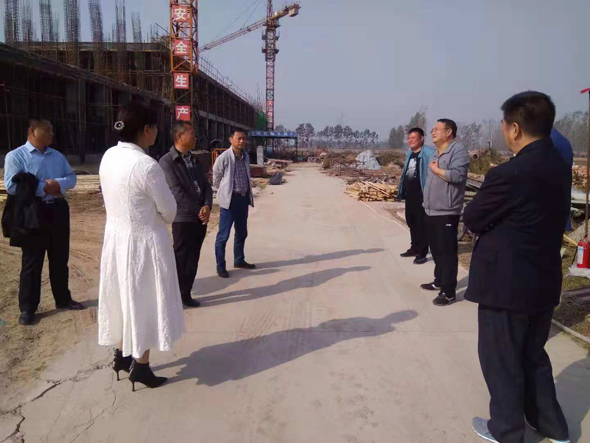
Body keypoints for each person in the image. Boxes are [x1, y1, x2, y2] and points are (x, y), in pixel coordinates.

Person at [466, 92, 570, 443]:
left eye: (503, 126)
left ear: (514, 128)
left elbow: (474, 217)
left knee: (501, 359)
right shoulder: (559, 166)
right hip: (544, 279)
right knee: (532, 355)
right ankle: (552, 427)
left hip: (505, 284)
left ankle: (507, 430)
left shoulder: (510, 173)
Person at [98, 103, 185, 391]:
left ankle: (123, 355)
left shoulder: (109, 156)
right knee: (144, 302)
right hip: (144, 244)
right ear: (146, 130)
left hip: (117, 239)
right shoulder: (147, 166)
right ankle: (142, 366)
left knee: (123, 297)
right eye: (155, 127)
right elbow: (169, 211)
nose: (157, 132)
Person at [3, 118, 83, 326]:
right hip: (33, 212)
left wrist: (58, 183)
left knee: (60, 258)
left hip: (58, 210)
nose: (51, 134)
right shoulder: (16, 156)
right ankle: (27, 308)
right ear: (32, 131)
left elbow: (71, 178)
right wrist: (43, 188)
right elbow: (11, 185)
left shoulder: (57, 156)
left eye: (52, 130)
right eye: (46, 130)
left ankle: (63, 298)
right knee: (32, 261)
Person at [159, 122, 213, 308]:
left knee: (193, 257)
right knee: (181, 258)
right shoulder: (167, 162)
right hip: (183, 218)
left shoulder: (194, 159)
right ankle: (174, 294)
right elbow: (176, 191)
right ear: (180, 137)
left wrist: (207, 205)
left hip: (200, 217)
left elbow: (206, 185)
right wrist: (199, 210)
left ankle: (185, 293)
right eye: (191, 133)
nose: (195, 137)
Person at [421, 119, 470, 306]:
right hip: (431, 209)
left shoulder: (458, 151)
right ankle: (439, 280)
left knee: (447, 251)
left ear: (449, 132)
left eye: (437, 129)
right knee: (436, 249)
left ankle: (449, 291)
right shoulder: (436, 152)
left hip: (447, 210)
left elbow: (457, 176)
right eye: (432, 129)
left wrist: (436, 169)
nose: (432, 132)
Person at [213, 129, 255, 278]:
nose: (242, 141)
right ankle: (220, 266)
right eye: (239, 138)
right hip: (230, 201)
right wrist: (223, 193)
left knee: (242, 232)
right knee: (223, 235)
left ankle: (239, 260)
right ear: (231, 139)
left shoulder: (246, 157)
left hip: (243, 200)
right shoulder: (224, 157)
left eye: (244, 138)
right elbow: (216, 177)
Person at [398, 127, 435, 265]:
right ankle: (414, 248)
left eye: (413, 138)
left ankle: (422, 252)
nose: (410, 140)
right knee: (411, 222)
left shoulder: (429, 153)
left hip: (422, 195)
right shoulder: (409, 153)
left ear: (422, 139)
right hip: (410, 195)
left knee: (422, 224)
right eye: (409, 138)